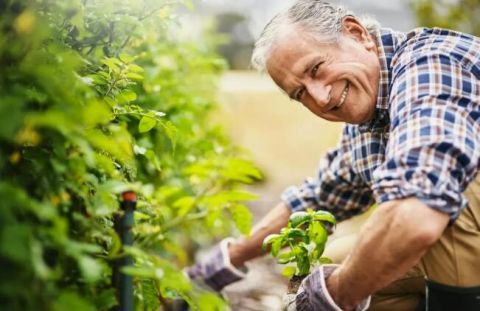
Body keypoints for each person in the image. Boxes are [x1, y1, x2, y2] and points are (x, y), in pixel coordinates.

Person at [187, 1, 480, 310]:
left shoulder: (431, 66)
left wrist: (335, 295)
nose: (320, 98)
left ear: (356, 34)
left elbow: (416, 212)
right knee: (344, 261)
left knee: (434, 201)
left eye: (315, 69)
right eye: (300, 94)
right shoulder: (370, 111)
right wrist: (225, 261)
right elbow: (319, 197)